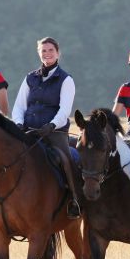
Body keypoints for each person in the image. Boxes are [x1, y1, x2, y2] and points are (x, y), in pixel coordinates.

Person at [11, 36, 80, 219]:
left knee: (65, 159)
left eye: (50, 50)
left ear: (58, 53)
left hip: (53, 133)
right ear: (39, 54)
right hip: (28, 131)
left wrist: (51, 125)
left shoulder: (66, 80)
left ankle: (74, 200)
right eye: (43, 51)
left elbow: (64, 110)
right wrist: (18, 123)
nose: (47, 54)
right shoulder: (30, 78)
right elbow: (19, 106)